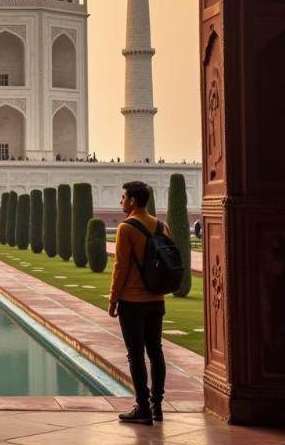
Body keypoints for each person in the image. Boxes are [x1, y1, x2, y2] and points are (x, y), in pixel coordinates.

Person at [108, 180, 169, 425]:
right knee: (156, 352)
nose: (121, 201)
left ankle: (142, 406)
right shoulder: (161, 226)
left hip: (132, 300)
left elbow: (120, 266)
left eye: (123, 197)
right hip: (156, 298)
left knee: (135, 355)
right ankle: (157, 406)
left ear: (133, 201)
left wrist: (113, 298)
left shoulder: (126, 228)